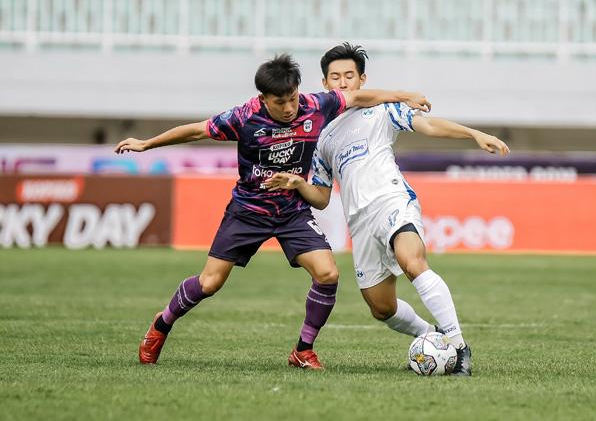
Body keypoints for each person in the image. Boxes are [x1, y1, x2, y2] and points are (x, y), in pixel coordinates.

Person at [115, 53, 431, 370]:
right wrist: (146, 144)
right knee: (209, 283)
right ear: (263, 98)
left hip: (292, 211)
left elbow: (361, 95)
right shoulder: (243, 117)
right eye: (280, 102)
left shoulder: (315, 104)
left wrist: (406, 96)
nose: (289, 108)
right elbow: (196, 131)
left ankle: (303, 350)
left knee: (328, 274)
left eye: (292, 98)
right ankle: (162, 324)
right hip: (249, 210)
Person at [265, 43, 510, 376]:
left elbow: (427, 125)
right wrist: (298, 185)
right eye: (335, 77)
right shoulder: (321, 136)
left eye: (349, 75)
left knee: (413, 261)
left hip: (391, 201)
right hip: (360, 222)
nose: (342, 82)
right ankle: (432, 337)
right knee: (381, 307)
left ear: (362, 79)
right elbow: (321, 196)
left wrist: (472, 134)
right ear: (325, 84)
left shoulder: (382, 110)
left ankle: (459, 346)